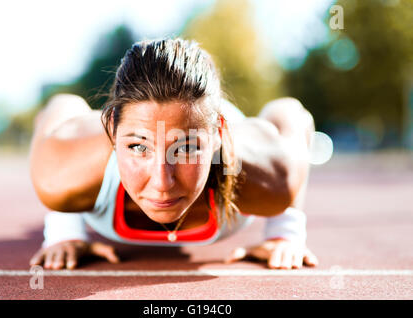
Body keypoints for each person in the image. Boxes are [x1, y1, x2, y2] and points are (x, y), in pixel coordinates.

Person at [29, 38, 318, 271]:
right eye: (139, 148)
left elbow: (291, 112)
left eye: (185, 149)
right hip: (141, 124)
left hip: (208, 118)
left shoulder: (270, 180)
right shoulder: (59, 175)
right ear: (114, 130)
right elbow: (61, 105)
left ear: (217, 135)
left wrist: (284, 231)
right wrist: (65, 229)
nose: (162, 183)